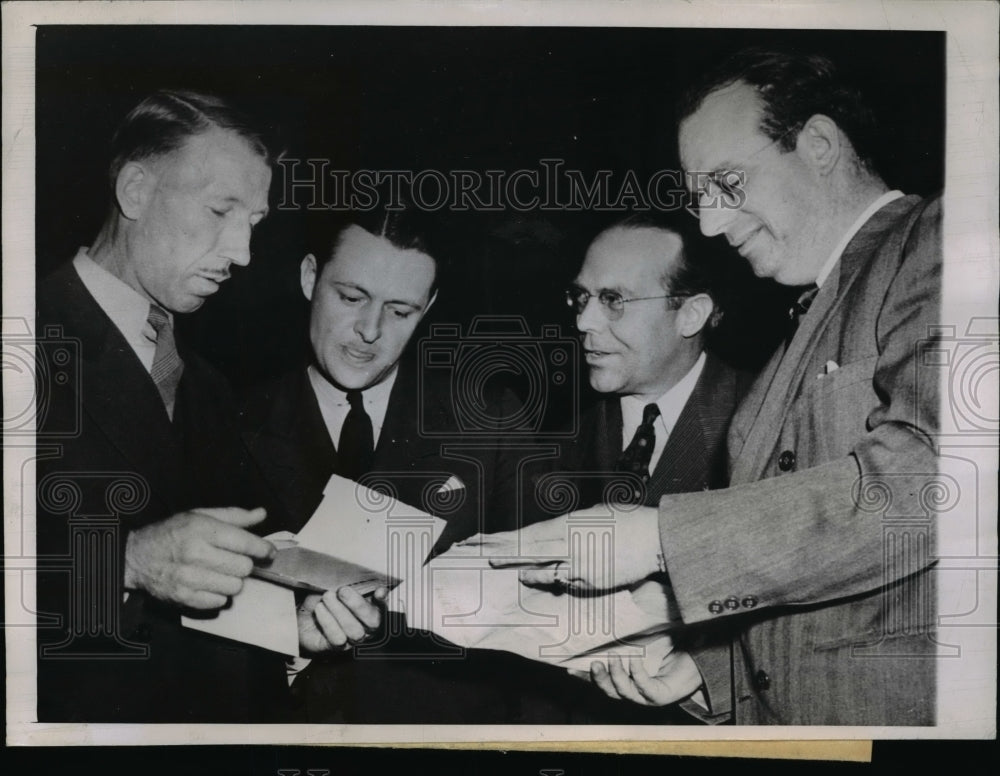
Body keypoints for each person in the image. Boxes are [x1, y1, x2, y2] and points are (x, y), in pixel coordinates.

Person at [486, 48, 942, 725]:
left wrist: (660, 540)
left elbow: (936, 483)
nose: (709, 223)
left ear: (818, 144)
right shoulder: (802, 322)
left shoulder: (936, 241)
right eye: (700, 196)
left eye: (728, 183)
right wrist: (707, 676)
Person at [35, 90, 362, 722]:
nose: (241, 253)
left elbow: (203, 589)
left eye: (254, 224)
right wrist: (124, 562)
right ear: (135, 191)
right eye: (220, 211)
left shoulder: (205, 382)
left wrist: (294, 625)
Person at [241, 207, 524, 722]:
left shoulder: (489, 422)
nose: (369, 330)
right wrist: (288, 637)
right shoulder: (227, 421)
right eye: (351, 298)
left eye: (400, 311)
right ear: (310, 277)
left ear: (429, 306)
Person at [511, 213, 750, 724]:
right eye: (581, 298)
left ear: (691, 314)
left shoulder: (766, 426)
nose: (584, 323)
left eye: (614, 301)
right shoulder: (547, 442)